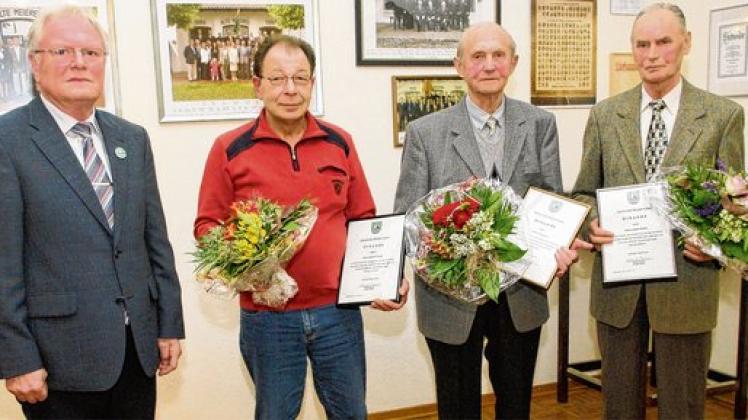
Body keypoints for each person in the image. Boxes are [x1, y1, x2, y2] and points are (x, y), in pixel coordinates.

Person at [194, 34, 409, 419]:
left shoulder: (339, 143)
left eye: (301, 78)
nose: (290, 89)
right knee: (276, 414)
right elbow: (207, 225)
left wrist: (385, 276)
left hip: (338, 314)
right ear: (257, 85)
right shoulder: (229, 148)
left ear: (312, 83)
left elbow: (363, 220)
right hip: (268, 320)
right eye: (277, 79)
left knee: (351, 413)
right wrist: (242, 261)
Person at [394, 22, 590, 420]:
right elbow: (408, 216)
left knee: (516, 404)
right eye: (477, 56)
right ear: (459, 65)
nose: (488, 65)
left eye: (498, 55)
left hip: (521, 293)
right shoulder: (425, 132)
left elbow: (554, 199)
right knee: (458, 406)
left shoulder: (539, 124)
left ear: (513, 63)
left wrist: (563, 243)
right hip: (448, 297)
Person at [0, 5, 185, 419]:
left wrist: (169, 321)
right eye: (62, 51)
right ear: (34, 62)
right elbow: (3, 262)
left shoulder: (131, 139)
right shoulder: (8, 141)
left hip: (136, 351)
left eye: (91, 52)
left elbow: (154, 240)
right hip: (57, 360)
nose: (79, 62)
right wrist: (15, 357)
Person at [571, 3, 745, 419]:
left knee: (683, 406)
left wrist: (715, 246)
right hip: (618, 289)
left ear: (686, 43)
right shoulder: (605, 114)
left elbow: (736, 205)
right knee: (619, 405)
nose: (652, 54)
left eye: (664, 42)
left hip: (688, 283)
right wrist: (589, 221)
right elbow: (582, 192)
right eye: (642, 44)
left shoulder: (723, 116)